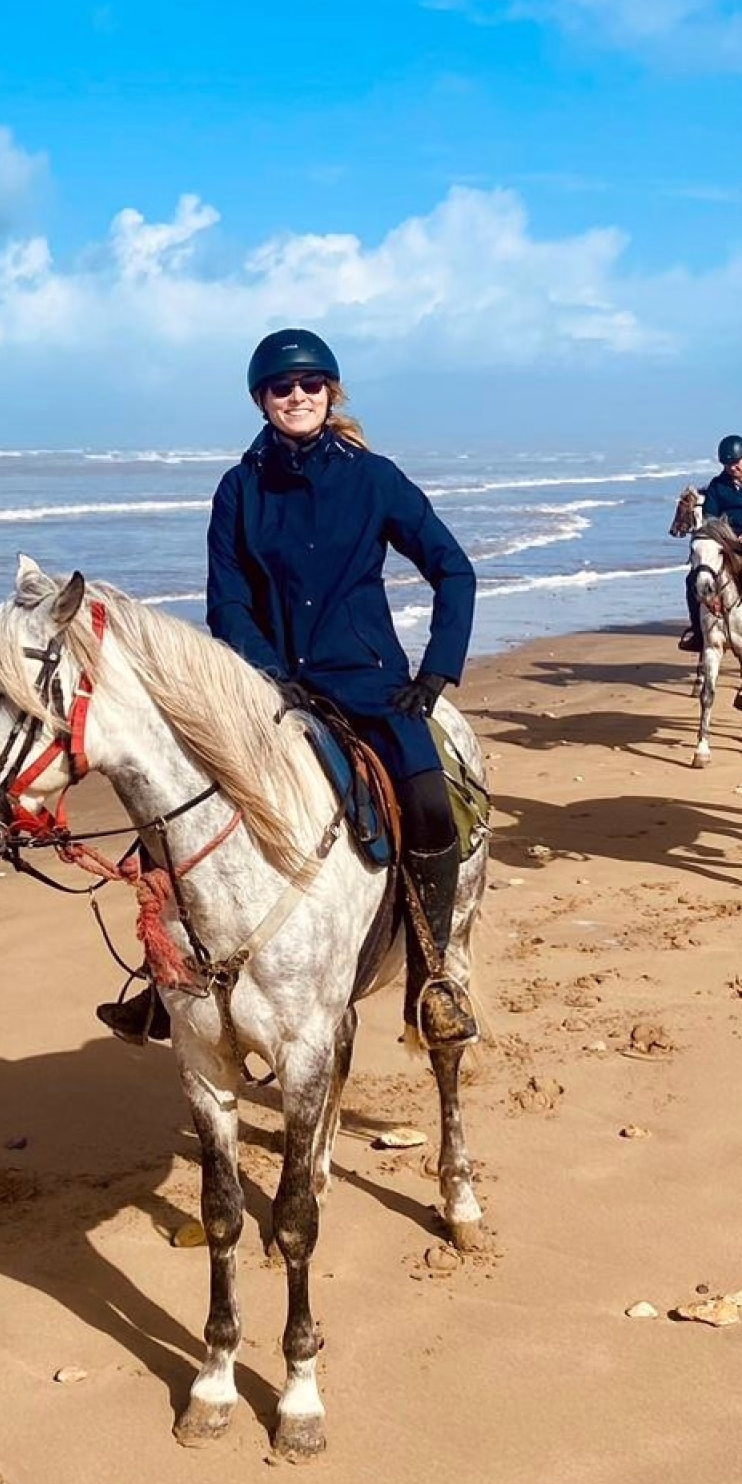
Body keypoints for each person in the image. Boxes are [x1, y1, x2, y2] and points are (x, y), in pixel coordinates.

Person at [97, 326, 480, 1051]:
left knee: (430, 807)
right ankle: (163, 980)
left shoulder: (375, 479)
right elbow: (227, 600)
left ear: (330, 392)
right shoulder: (239, 489)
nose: (296, 396)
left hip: (369, 687)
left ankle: (432, 978)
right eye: (282, 388)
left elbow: (452, 569)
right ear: (261, 400)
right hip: (264, 690)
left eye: (310, 385)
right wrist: (266, 676)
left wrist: (436, 672)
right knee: (168, 813)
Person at [680, 435, 742, 648]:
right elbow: (710, 517)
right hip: (726, 543)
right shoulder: (718, 485)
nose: (731, 468)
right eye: (727, 465)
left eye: (735, 464)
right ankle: (698, 633)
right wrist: (724, 537)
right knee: (692, 580)